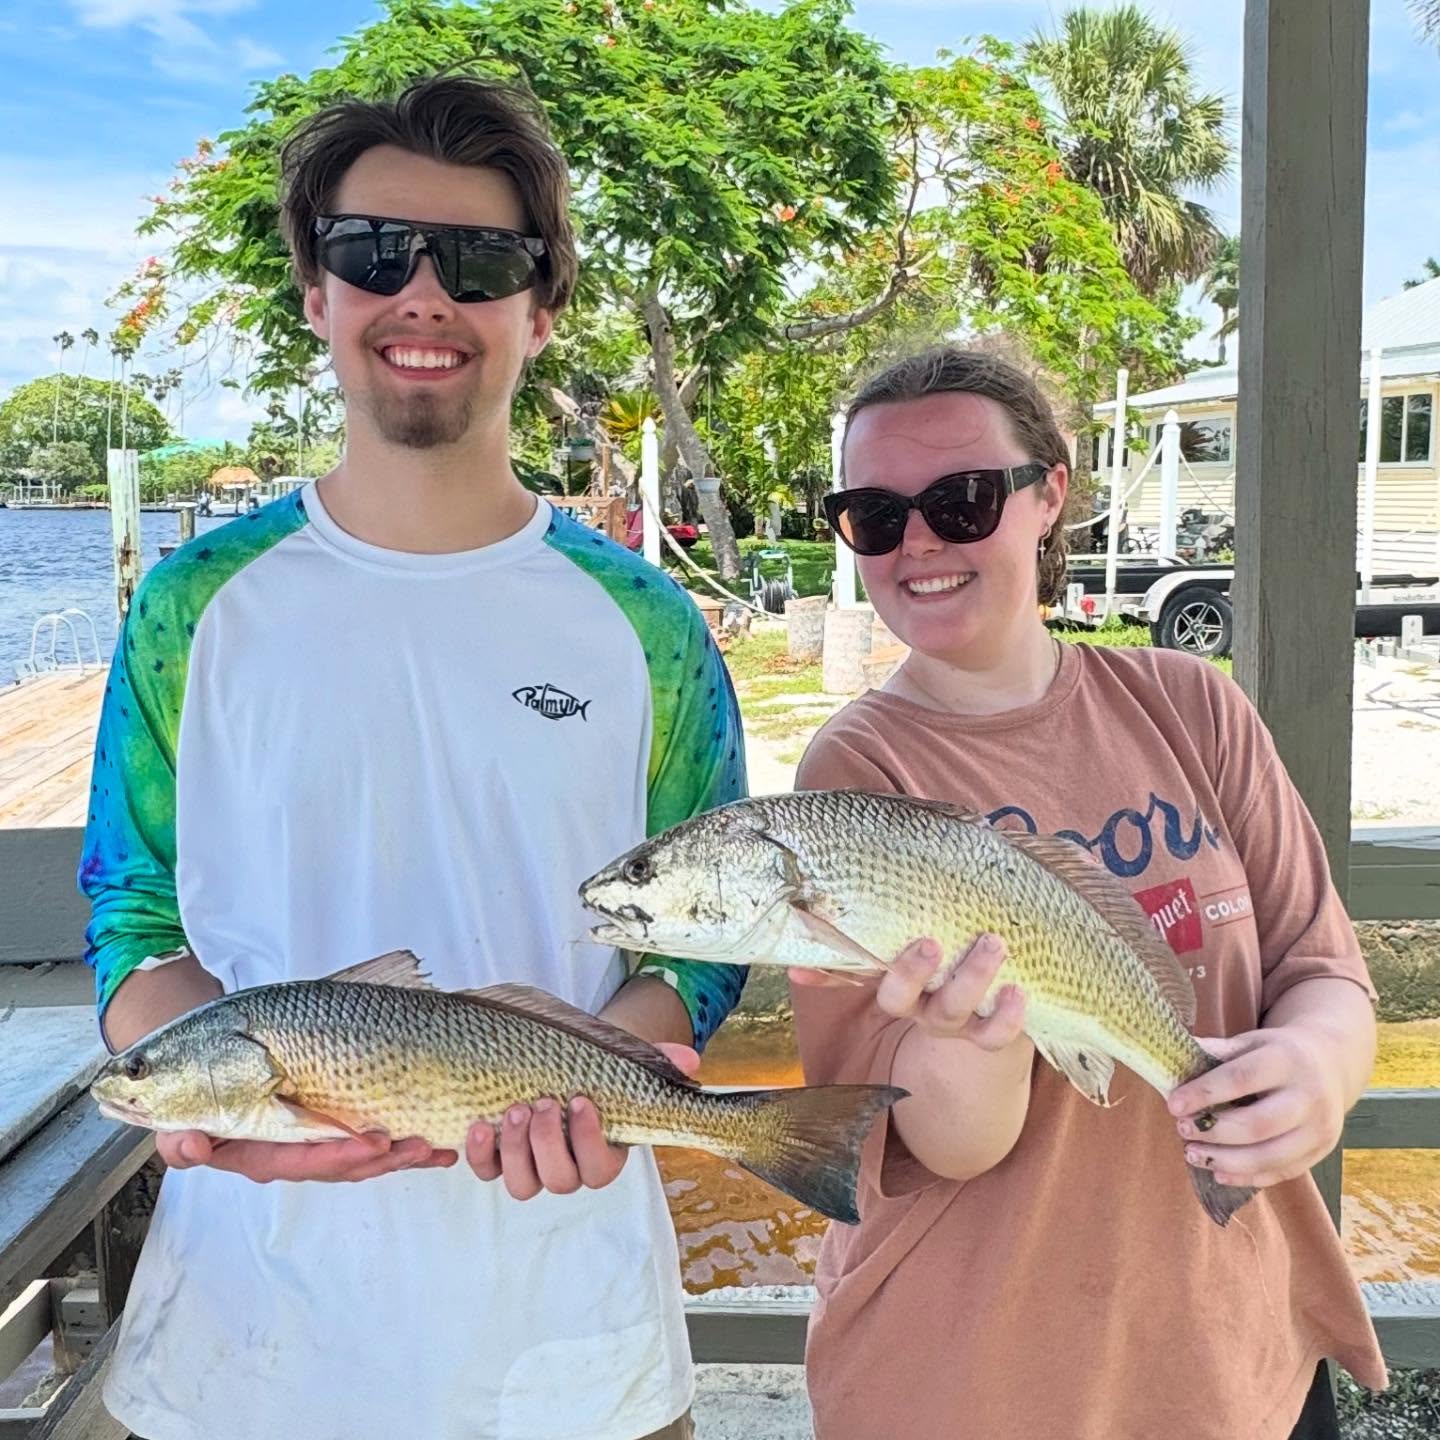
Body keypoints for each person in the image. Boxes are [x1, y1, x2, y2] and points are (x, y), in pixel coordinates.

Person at [80, 74, 747, 1440]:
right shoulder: (191, 606)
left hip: (577, 1359)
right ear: (317, 294)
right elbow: (134, 918)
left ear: (540, 311)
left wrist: (595, 1066)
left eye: (484, 262)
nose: (425, 295)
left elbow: (708, 932)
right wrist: (203, 1106)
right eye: (374, 253)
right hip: (245, 1356)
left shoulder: (648, 622)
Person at [789, 345, 1386, 1440]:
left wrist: (1316, 1071)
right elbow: (935, 1146)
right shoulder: (852, 775)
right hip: (974, 1379)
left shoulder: (1193, 706)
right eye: (874, 515)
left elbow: (1322, 969)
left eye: (961, 502)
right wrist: (972, 1038)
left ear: (1048, 493)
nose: (917, 542)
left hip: (1233, 1357)